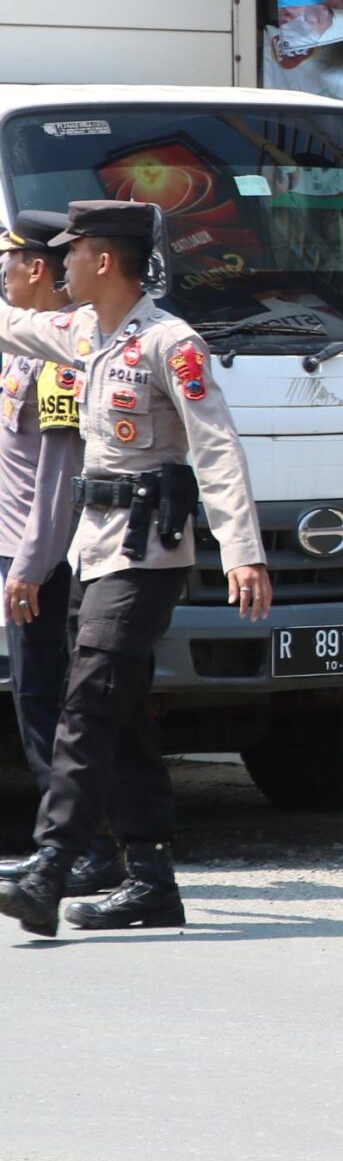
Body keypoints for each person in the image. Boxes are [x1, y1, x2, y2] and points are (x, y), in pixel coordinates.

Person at [0, 201, 271, 938]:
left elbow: (215, 447)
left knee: (87, 702)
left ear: (104, 260)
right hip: (96, 548)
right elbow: (11, 322)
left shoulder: (170, 343)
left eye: (73, 252)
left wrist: (241, 548)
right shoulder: (87, 331)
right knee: (116, 712)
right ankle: (150, 880)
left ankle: (51, 864)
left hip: (146, 552)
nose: (61, 265)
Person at [0, 213, 104, 894]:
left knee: (45, 704)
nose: (1, 275)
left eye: (6, 264)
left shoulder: (61, 361)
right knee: (35, 701)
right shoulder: (23, 345)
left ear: (35, 267)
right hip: (14, 554)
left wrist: (32, 565)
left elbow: (59, 479)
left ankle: (74, 848)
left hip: (38, 562)